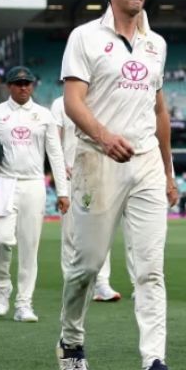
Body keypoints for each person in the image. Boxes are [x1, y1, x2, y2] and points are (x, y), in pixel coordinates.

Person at [57, 0, 178, 370]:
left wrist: (168, 172)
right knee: (87, 265)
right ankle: (71, 339)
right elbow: (73, 102)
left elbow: (159, 111)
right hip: (97, 159)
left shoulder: (156, 44)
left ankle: (154, 357)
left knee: (151, 268)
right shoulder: (85, 37)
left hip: (145, 162)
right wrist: (105, 137)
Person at [0, 66, 69, 322]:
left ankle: (24, 304)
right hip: (4, 182)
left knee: (30, 247)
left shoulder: (44, 115)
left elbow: (55, 154)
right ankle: (2, 288)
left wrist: (62, 191)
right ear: (9, 86)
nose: (23, 87)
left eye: (27, 83)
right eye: (18, 83)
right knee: (1, 239)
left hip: (33, 183)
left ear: (33, 86)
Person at [52, 93, 124, 303]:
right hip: (70, 173)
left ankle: (101, 283)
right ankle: (71, 282)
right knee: (70, 232)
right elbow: (54, 139)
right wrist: (59, 166)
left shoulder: (103, 99)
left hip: (98, 171)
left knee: (102, 229)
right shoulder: (60, 103)